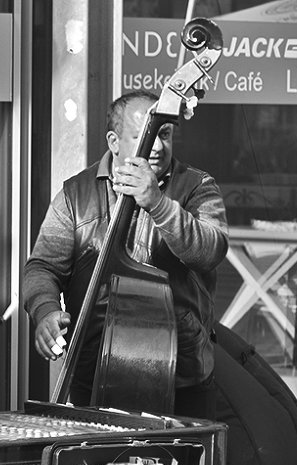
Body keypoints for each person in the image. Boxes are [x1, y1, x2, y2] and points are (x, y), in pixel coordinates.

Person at [22, 89, 229, 420]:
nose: (158, 146)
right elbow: (43, 267)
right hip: (94, 370)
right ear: (114, 142)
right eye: (145, 136)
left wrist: (158, 204)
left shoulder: (197, 186)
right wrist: (45, 310)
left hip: (180, 373)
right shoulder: (76, 194)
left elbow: (211, 250)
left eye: (164, 134)